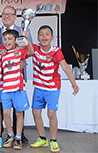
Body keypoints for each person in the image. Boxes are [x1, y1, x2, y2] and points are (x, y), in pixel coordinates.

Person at [30, 25, 79, 153]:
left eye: (47, 34)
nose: (44, 36)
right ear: (38, 38)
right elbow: (24, 45)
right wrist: (25, 32)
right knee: (36, 113)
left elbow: (65, 67)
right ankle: (42, 138)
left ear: (52, 37)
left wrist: (73, 83)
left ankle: (53, 140)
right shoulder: (34, 49)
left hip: (52, 88)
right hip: (39, 88)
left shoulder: (56, 51)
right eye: (41, 34)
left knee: (51, 114)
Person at [0, 5, 33, 143]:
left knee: (18, 108)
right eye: (4, 14)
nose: (6, 16)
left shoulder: (23, 30)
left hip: (16, 75)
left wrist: (24, 63)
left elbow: (29, 50)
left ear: (15, 16)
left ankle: (20, 134)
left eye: (10, 14)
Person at [2, 29, 34, 150]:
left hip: (18, 88)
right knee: (6, 113)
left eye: (10, 39)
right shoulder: (3, 54)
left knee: (18, 113)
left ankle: (18, 137)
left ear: (15, 41)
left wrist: (27, 39)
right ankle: (10, 135)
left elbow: (31, 51)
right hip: (5, 89)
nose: (6, 41)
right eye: (5, 39)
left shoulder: (19, 52)